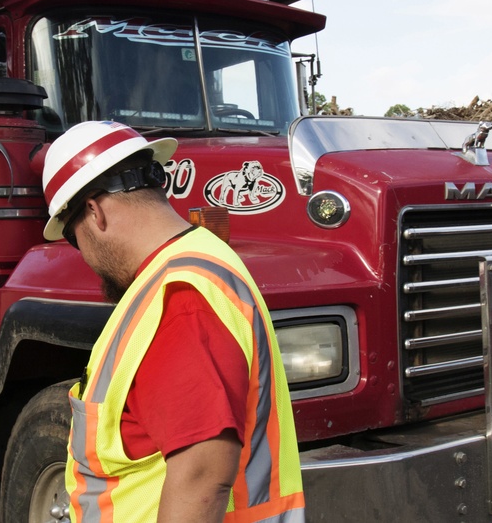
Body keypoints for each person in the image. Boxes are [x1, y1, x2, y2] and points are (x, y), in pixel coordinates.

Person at [41, 120, 305, 523]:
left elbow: (202, 475)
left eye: (73, 237)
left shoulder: (178, 297)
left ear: (94, 212)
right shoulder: (194, 264)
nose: (84, 256)